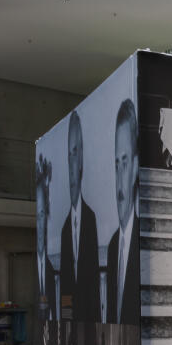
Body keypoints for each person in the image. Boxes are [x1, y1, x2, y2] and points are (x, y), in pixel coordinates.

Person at [59, 111, 100, 322]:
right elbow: (66, 287)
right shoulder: (66, 228)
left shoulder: (91, 219)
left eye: (76, 152)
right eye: (69, 154)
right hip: (71, 323)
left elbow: (93, 285)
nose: (72, 161)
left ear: (82, 158)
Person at [105, 98, 140, 326]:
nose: (119, 181)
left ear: (136, 167)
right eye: (116, 164)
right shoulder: (112, 247)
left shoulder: (141, 241)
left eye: (125, 164)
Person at [35, 155, 56, 320]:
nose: (40, 224)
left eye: (42, 214)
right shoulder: (40, 266)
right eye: (37, 215)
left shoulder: (53, 266)